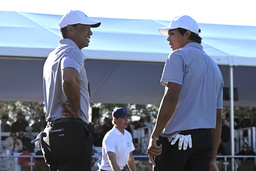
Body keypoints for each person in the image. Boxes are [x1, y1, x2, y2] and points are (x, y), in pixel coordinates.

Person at [147, 15, 223, 171]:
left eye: (172, 33)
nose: (168, 39)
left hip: (178, 139)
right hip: (204, 141)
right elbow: (217, 118)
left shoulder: (178, 56)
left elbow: (171, 96)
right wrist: (213, 158)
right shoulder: (216, 68)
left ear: (187, 34)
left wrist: (155, 135)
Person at [42, 10, 101, 171]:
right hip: (70, 130)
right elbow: (69, 78)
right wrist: (76, 109)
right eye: (85, 28)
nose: (90, 32)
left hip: (52, 131)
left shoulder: (52, 56)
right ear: (70, 29)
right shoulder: (73, 51)